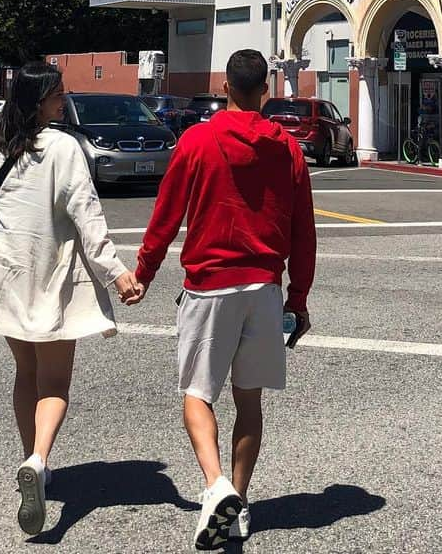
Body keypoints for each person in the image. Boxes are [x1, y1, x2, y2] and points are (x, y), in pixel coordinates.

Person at [133, 49, 316, 551]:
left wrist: (144, 273)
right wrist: (297, 298)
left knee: (197, 393)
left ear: (226, 88)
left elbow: (167, 214)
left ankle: (214, 487)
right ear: (265, 90)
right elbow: (304, 231)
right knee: (248, 401)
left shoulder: (197, 140)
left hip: (211, 282)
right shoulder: (288, 149)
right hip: (264, 285)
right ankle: (238, 501)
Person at [0, 62, 142, 537]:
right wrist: (116, 272)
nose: (65, 97)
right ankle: (38, 459)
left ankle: (30, 460)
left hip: (3, 269)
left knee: (25, 372)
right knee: (55, 382)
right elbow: (87, 213)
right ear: (40, 100)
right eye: (59, 92)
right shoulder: (62, 147)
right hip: (48, 268)